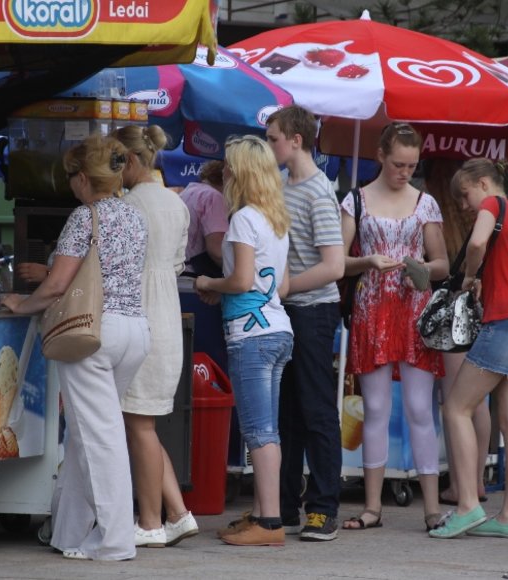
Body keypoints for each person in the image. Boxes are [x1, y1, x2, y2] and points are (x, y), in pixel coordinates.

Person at [0, 135, 150, 561]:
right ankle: (69, 534)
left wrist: (20, 304)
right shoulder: (135, 216)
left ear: (83, 178)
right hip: (135, 331)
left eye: (70, 177)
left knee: (99, 440)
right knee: (87, 438)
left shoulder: (85, 218)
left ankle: (115, 539)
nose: (69, 185)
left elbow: (56, 285)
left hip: (92, 334)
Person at [338, 122, 448, 532]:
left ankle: (432, 508)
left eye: (412, 165)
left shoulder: (426, 203)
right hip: (372, 308)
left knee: (421, 407)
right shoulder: (356, 201)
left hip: (414, 309)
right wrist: (367, 261)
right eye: (399, 164)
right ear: (381, 156)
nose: (405, 172)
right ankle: (372, 506)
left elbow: (442, 263)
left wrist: (420, 270)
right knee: (377, 409)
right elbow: (339, 262)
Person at [429, 158, 508, 539]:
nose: (464, 206)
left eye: (464, 195)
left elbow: (477, 241)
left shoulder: (493, 205)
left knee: (457, 408)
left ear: (483, 184)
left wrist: (468, 276)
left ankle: (467, 504)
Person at [194, 135, 293, 546]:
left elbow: (240, 279)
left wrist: (208, 281)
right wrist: (233, 289)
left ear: (240, 173)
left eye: (229, 166)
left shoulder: (243, 219)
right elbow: (280, 287)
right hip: (278, 329)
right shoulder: (275, 221)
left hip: (250, 336)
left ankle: (269, 523)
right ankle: (264, 515)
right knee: (268, 429)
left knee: (258, 430)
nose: (225, 172)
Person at [111, 124, 197, 548]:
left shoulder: (127, 206)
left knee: (139, 426)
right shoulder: (177, 204)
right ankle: (178, 513)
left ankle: (149, 522)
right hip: (167, 318)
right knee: (144, 423)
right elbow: (178, 264)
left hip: (138, 314)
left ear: (127, 160)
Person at [265, 105, 345, 542]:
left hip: (313, 311)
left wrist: (286, 288)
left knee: (315, 410)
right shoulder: (279, 184)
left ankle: (323, 507)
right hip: (290, 307)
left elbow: (334, 266)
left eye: (274, 137)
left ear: (296, 140)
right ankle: (285, 506)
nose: (270, 144)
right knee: (287, 413)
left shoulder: (318, 192)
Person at [424, 159, 492, 507]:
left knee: (457, 403)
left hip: (457, 316)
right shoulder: (486, 219)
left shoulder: (460, 223)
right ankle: (475, 479)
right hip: (486, 315)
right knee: (476, 404)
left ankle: (464, 485)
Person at [181, 159, 229, 278]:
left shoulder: (186, 192)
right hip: (197, 276)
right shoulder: (214, 197)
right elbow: (217, 251)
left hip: (180, 272)